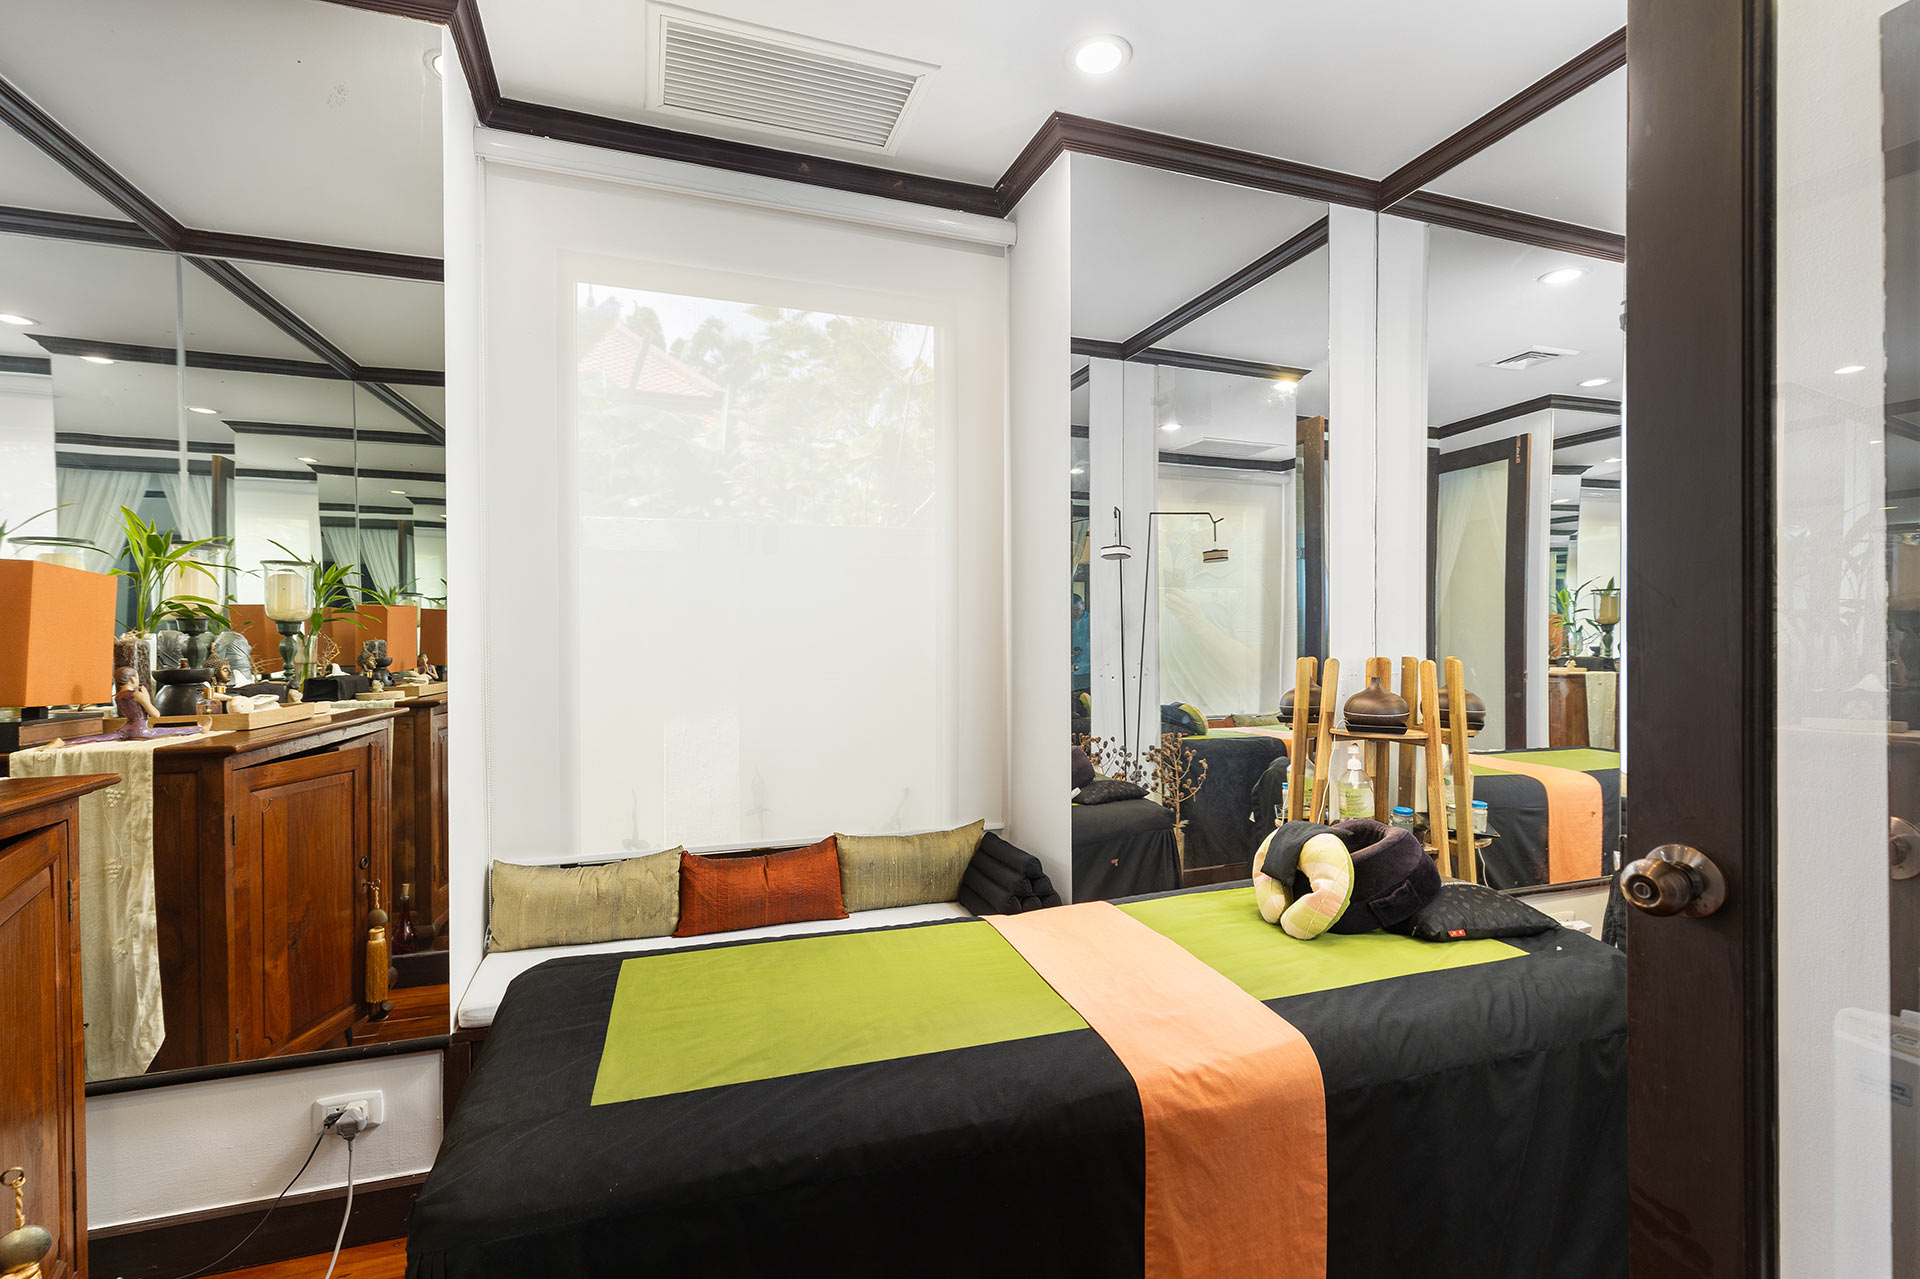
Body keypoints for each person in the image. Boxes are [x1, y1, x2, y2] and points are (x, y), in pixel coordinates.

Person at [50, 667, 206, 746]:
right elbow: (156, 715)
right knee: (171, 731)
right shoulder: (136, 694)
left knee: (99, 738)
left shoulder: (118, 696)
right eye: (136, 677)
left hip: (126, 729)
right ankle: (200, 729)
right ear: (131, 680)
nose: (137, 680)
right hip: (140, 730)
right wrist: (147, 698)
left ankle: (65, 742)